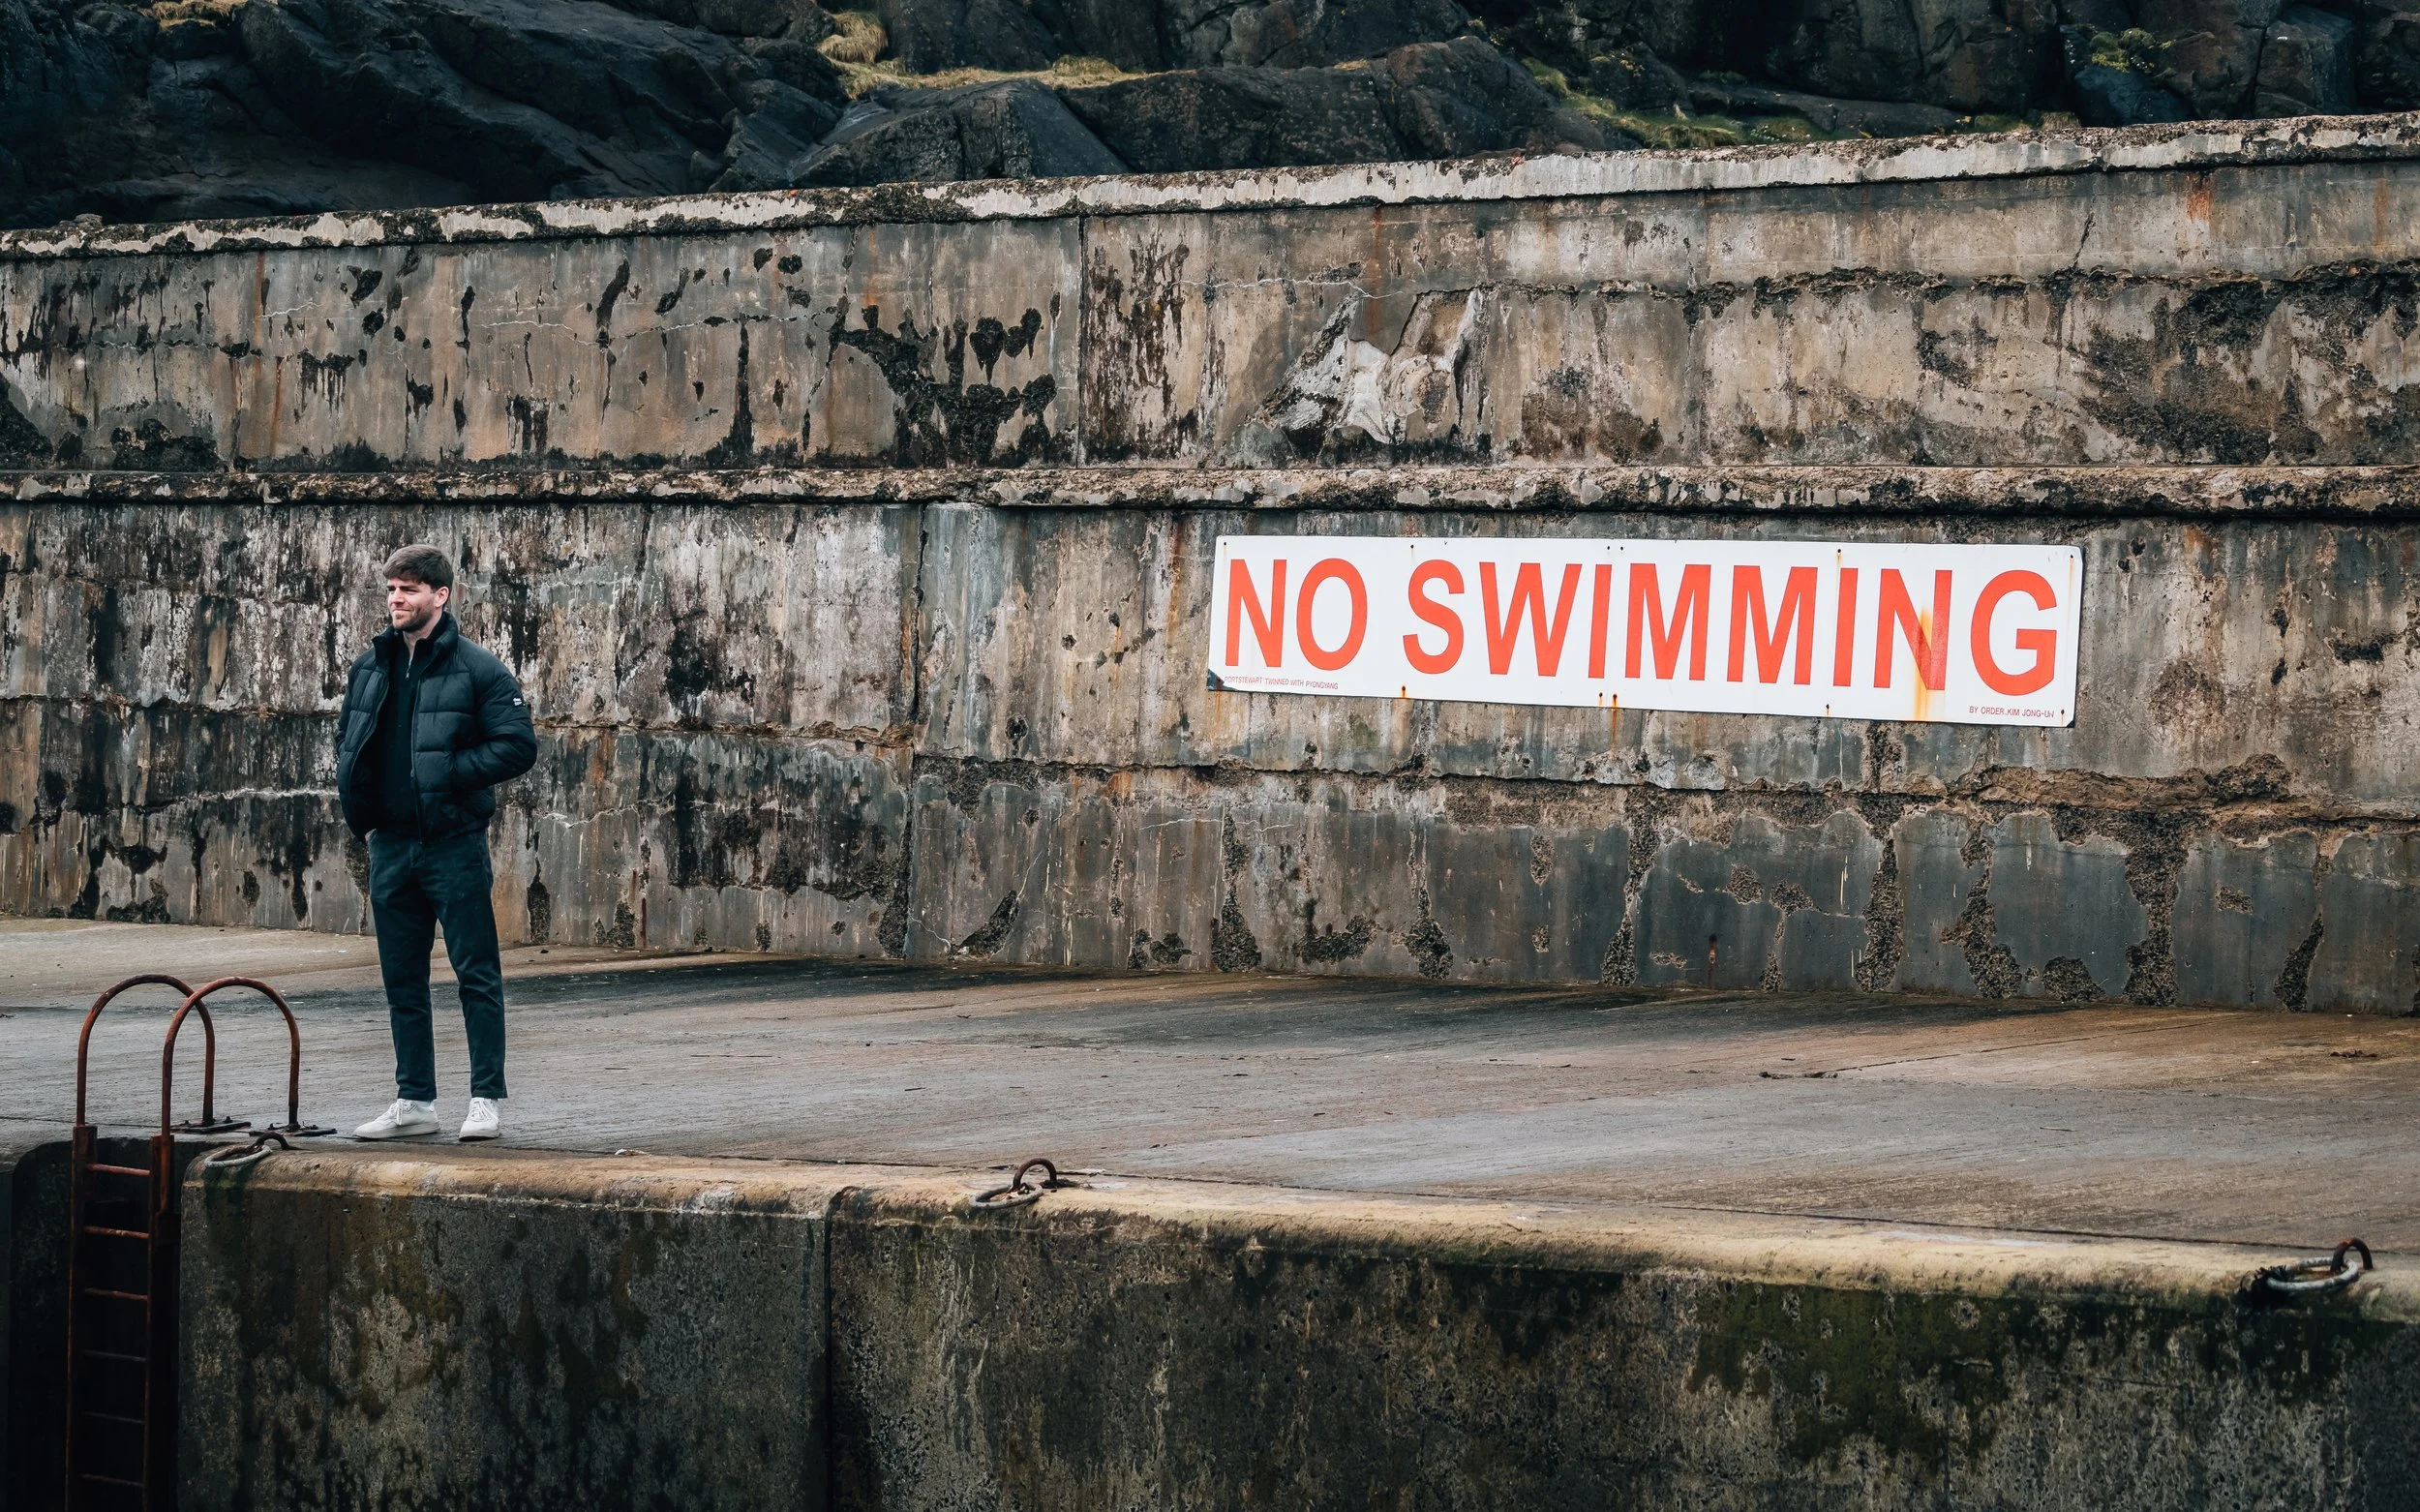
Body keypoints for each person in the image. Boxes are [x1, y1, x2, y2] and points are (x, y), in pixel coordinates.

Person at [334, 544, 536, 1142]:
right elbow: (350, 735)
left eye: (409, 590)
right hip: (391, 845)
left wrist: (445, 772)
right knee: (402, 978)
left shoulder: (480, 669)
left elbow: (517, 745)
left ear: (440, 597)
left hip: (452, 843)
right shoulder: (371, 666)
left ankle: (485, 1100)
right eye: (392, 589)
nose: (396, 599)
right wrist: (362, 803)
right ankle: (415, 1101)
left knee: (476, 972)